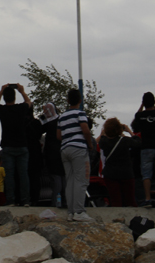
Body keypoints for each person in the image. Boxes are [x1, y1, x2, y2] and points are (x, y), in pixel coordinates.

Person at [57, 88, 94, 222]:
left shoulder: (62, 117)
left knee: (70, 181)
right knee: (81, 180)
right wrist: (89, 144)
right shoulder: (80, 113)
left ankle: (71, 212)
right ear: (80, 100)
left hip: (65, 149)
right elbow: (85, 129)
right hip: (78, 149)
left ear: (67, 101)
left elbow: (58, 135)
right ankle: (79, 211)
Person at [0, 83, 33, 206]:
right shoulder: (21, 108)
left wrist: (1, 90)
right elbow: (29, 102)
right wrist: (22, 91)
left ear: (5, 98)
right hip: (21, 144)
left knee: (9, 175)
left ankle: (11, 200)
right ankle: (25, 200)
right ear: (15, 97)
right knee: (23, 174)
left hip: (8, 145)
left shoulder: (2, 110)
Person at [132, 91, 155, 209]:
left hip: (146, 147)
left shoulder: (140, 116)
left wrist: (142, 105)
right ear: (154, 101)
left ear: (143, 103)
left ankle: (147, 199)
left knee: (146, 175)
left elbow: (136, 116)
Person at [97, 117, 141, 207]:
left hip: (110, 174)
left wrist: (103, 133)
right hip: (126, 173)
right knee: (130, 200)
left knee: (115, 200)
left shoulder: (104, 142)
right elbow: (138, 143)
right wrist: (128, 131)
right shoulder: (125, 141)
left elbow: (100, 140)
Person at [41, 103, 65, 207]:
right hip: (61, 152)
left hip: (52, 154)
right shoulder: (60, 120)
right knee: (63, 178)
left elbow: (40, 129)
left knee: (56, 180)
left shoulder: (48, 123)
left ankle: (56, 202)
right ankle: (64, 201)